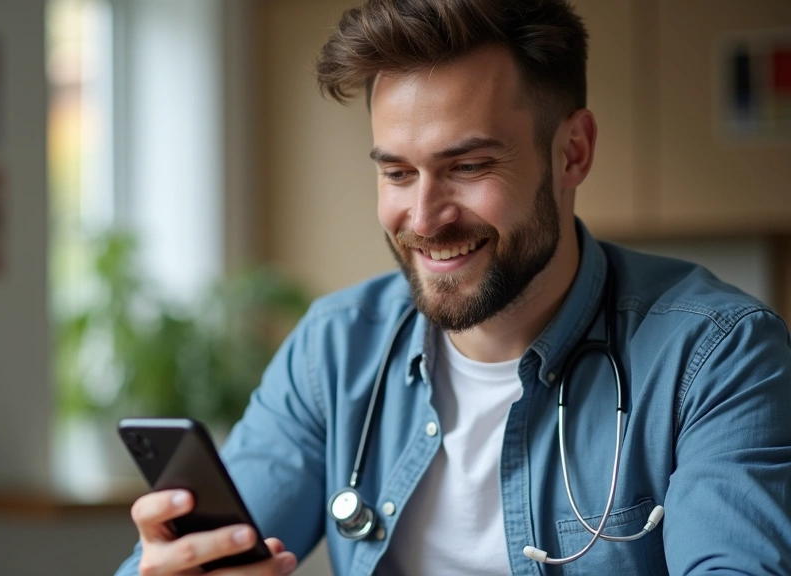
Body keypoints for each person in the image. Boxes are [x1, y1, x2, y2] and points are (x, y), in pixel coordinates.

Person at [115, 0, 791, 574]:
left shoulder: (718, 357)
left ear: (573, 152)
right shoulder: (335, 351)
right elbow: (207, 551)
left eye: (467, 166)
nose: (425, 217)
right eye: (398, 173)